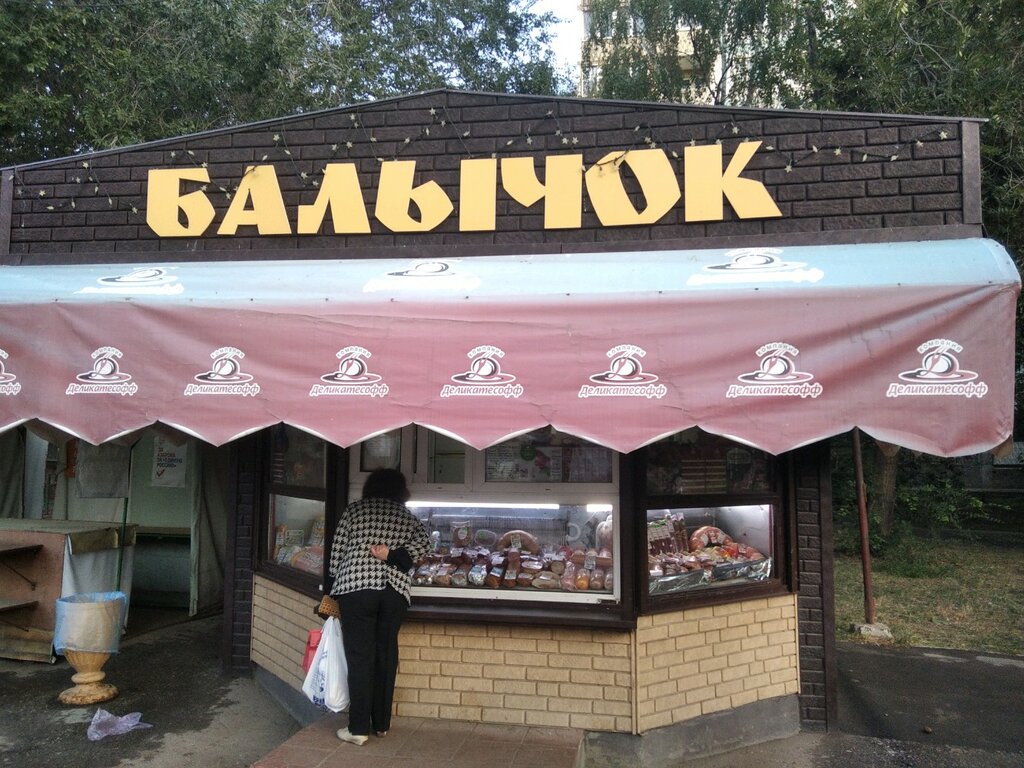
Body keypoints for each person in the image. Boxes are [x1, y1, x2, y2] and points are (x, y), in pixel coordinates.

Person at [327, 468, 430, 746]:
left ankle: (358, 728)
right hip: (394, 592)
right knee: (386, 654)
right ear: (401, 490)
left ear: (370, 487)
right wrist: (393, 555)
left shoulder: (354, 511)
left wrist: (333, 583)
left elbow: (337, 553)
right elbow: (425, 545)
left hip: (356, 590)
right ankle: (382, 724)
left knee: (360, 657)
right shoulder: (406, 516)